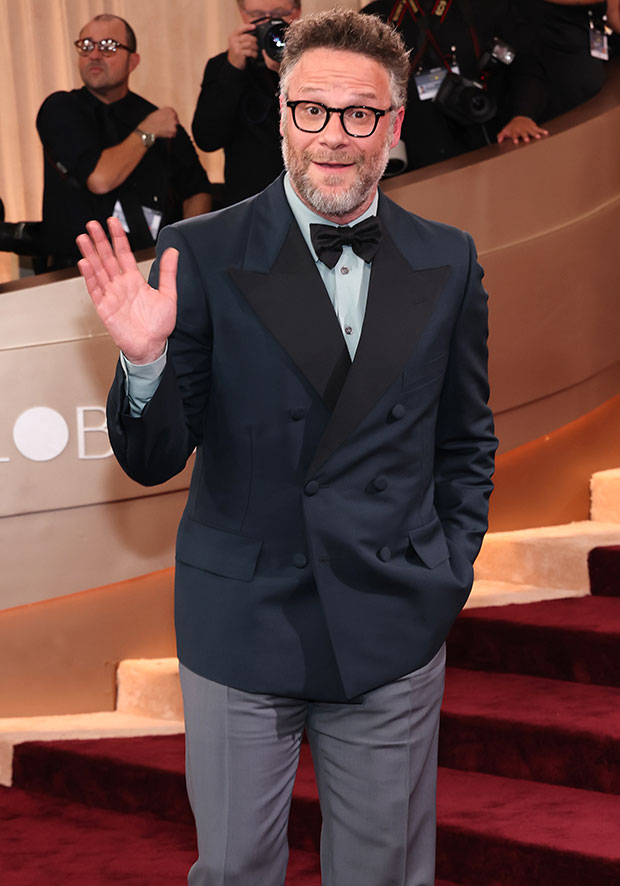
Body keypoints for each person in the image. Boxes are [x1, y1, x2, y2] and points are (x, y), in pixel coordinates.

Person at [77, 9, 497, 884]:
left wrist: (445, 571)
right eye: (312, 110)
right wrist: (142, 359)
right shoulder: (201, 252)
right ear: (279, 115)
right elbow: (154, 458)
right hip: (245, 625)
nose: (333, 137)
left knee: (383, 873)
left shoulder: (448, 259)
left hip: (393, 621)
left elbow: (465, 439)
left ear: (394, 124)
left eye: (359, 114)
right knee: (234, 871)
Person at [36, 14, 211, 269]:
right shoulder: (61, 108)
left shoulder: (157, 120)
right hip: (74, 274)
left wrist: (184, 249)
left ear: (133, 61)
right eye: (86, 46)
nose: (94, 55)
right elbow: (100, 178)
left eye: (108, 46)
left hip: (151, 267)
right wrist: (146, 133)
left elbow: (197, 190)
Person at [361, 0, 551, 171]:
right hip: (418, 170)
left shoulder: (490, 6)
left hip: (496, 151)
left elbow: (528, 66)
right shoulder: (375, 19)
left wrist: (523, 115)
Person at [192, 0, 302, 207]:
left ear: (296, 12)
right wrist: (232, 69)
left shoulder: (318, 64)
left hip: (311, 198)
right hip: (250, 203)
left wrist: (289, 73)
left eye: (279, 14)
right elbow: (207, 139)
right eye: (258, 15)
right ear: (243, 15)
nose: (270, 22)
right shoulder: (224, 66)